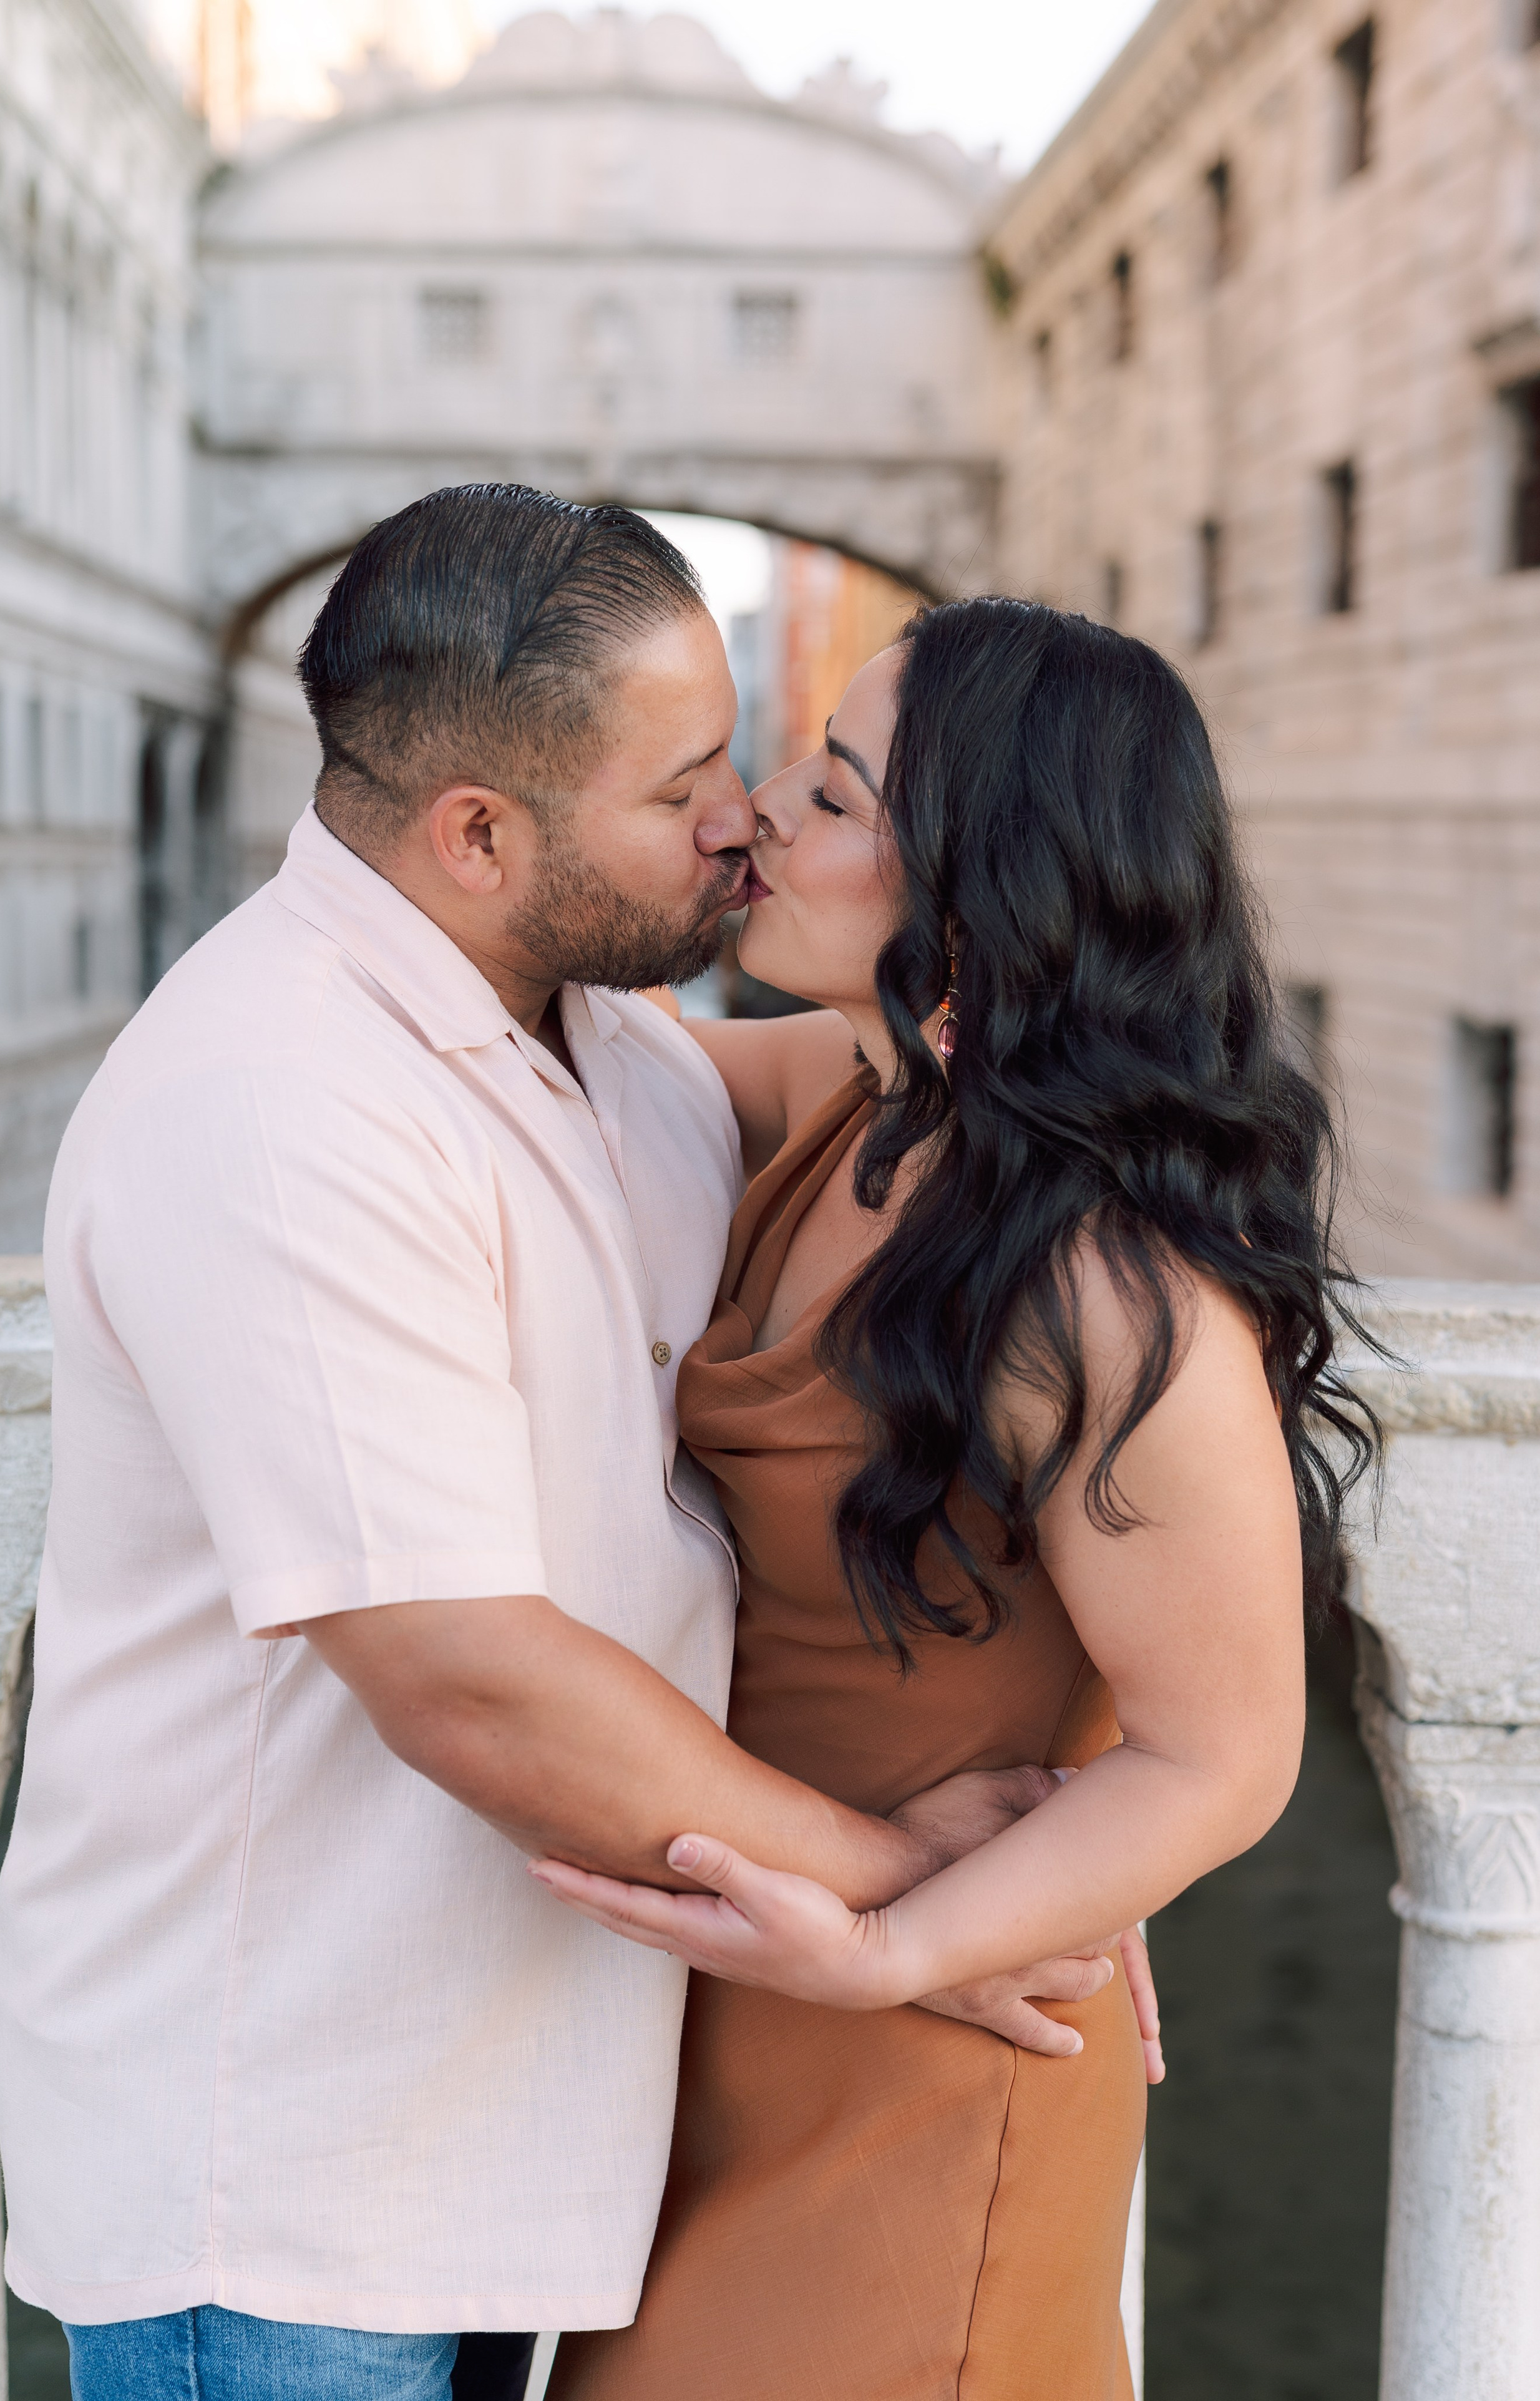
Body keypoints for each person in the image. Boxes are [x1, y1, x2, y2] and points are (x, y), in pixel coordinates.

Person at [0, 489, 1131, 2401]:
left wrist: (1089, 1845)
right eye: (683, 789)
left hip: (525, 2133)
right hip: (283, 2189)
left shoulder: (600, 1035)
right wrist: (910, 1901)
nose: (742, 818)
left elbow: (943, 1081)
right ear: (479, 836)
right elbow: (468, 1675)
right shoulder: (279, 1102)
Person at [539, 598, 1380, 2400]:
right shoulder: (851, 1104)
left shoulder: (1097, 1281)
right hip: (737, 2013)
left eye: (837, 795)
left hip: (924, 2050)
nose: (761, 808)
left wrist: (887, 1948)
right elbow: (536, 1063)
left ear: (983, 898)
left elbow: (1228, 1753)